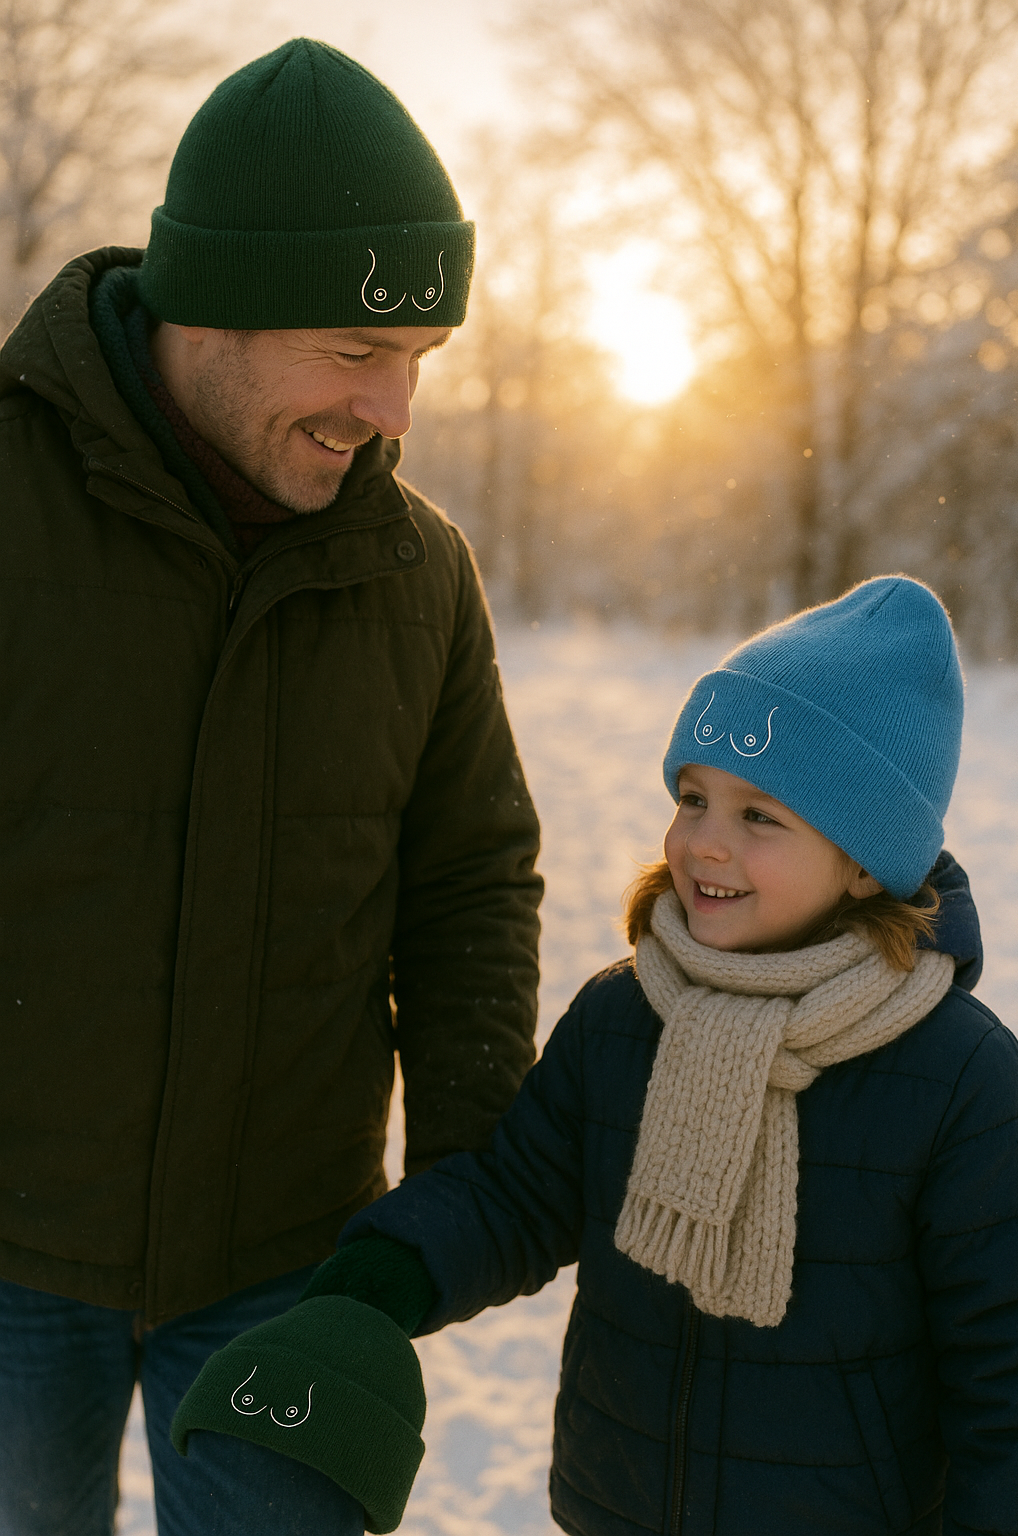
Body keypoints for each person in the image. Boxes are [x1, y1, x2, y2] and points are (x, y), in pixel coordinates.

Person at [0, 38, 542, 1536]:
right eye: (358, 352)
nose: (395, 411)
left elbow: (469, 881)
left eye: (419, 362)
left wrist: (461, 1192)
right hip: (10, 1249)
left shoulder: (416, 573)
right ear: (216, 306)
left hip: (287, 1261)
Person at [179, 576, 1018, 1535]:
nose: (703, 842)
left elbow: (1006, 1377)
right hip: (615, 1506)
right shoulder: (626, 1016)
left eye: (760, 816)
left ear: (868, 860)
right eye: (695, 797)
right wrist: (382, 1282)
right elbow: (519, 1194)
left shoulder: (962, 1081)